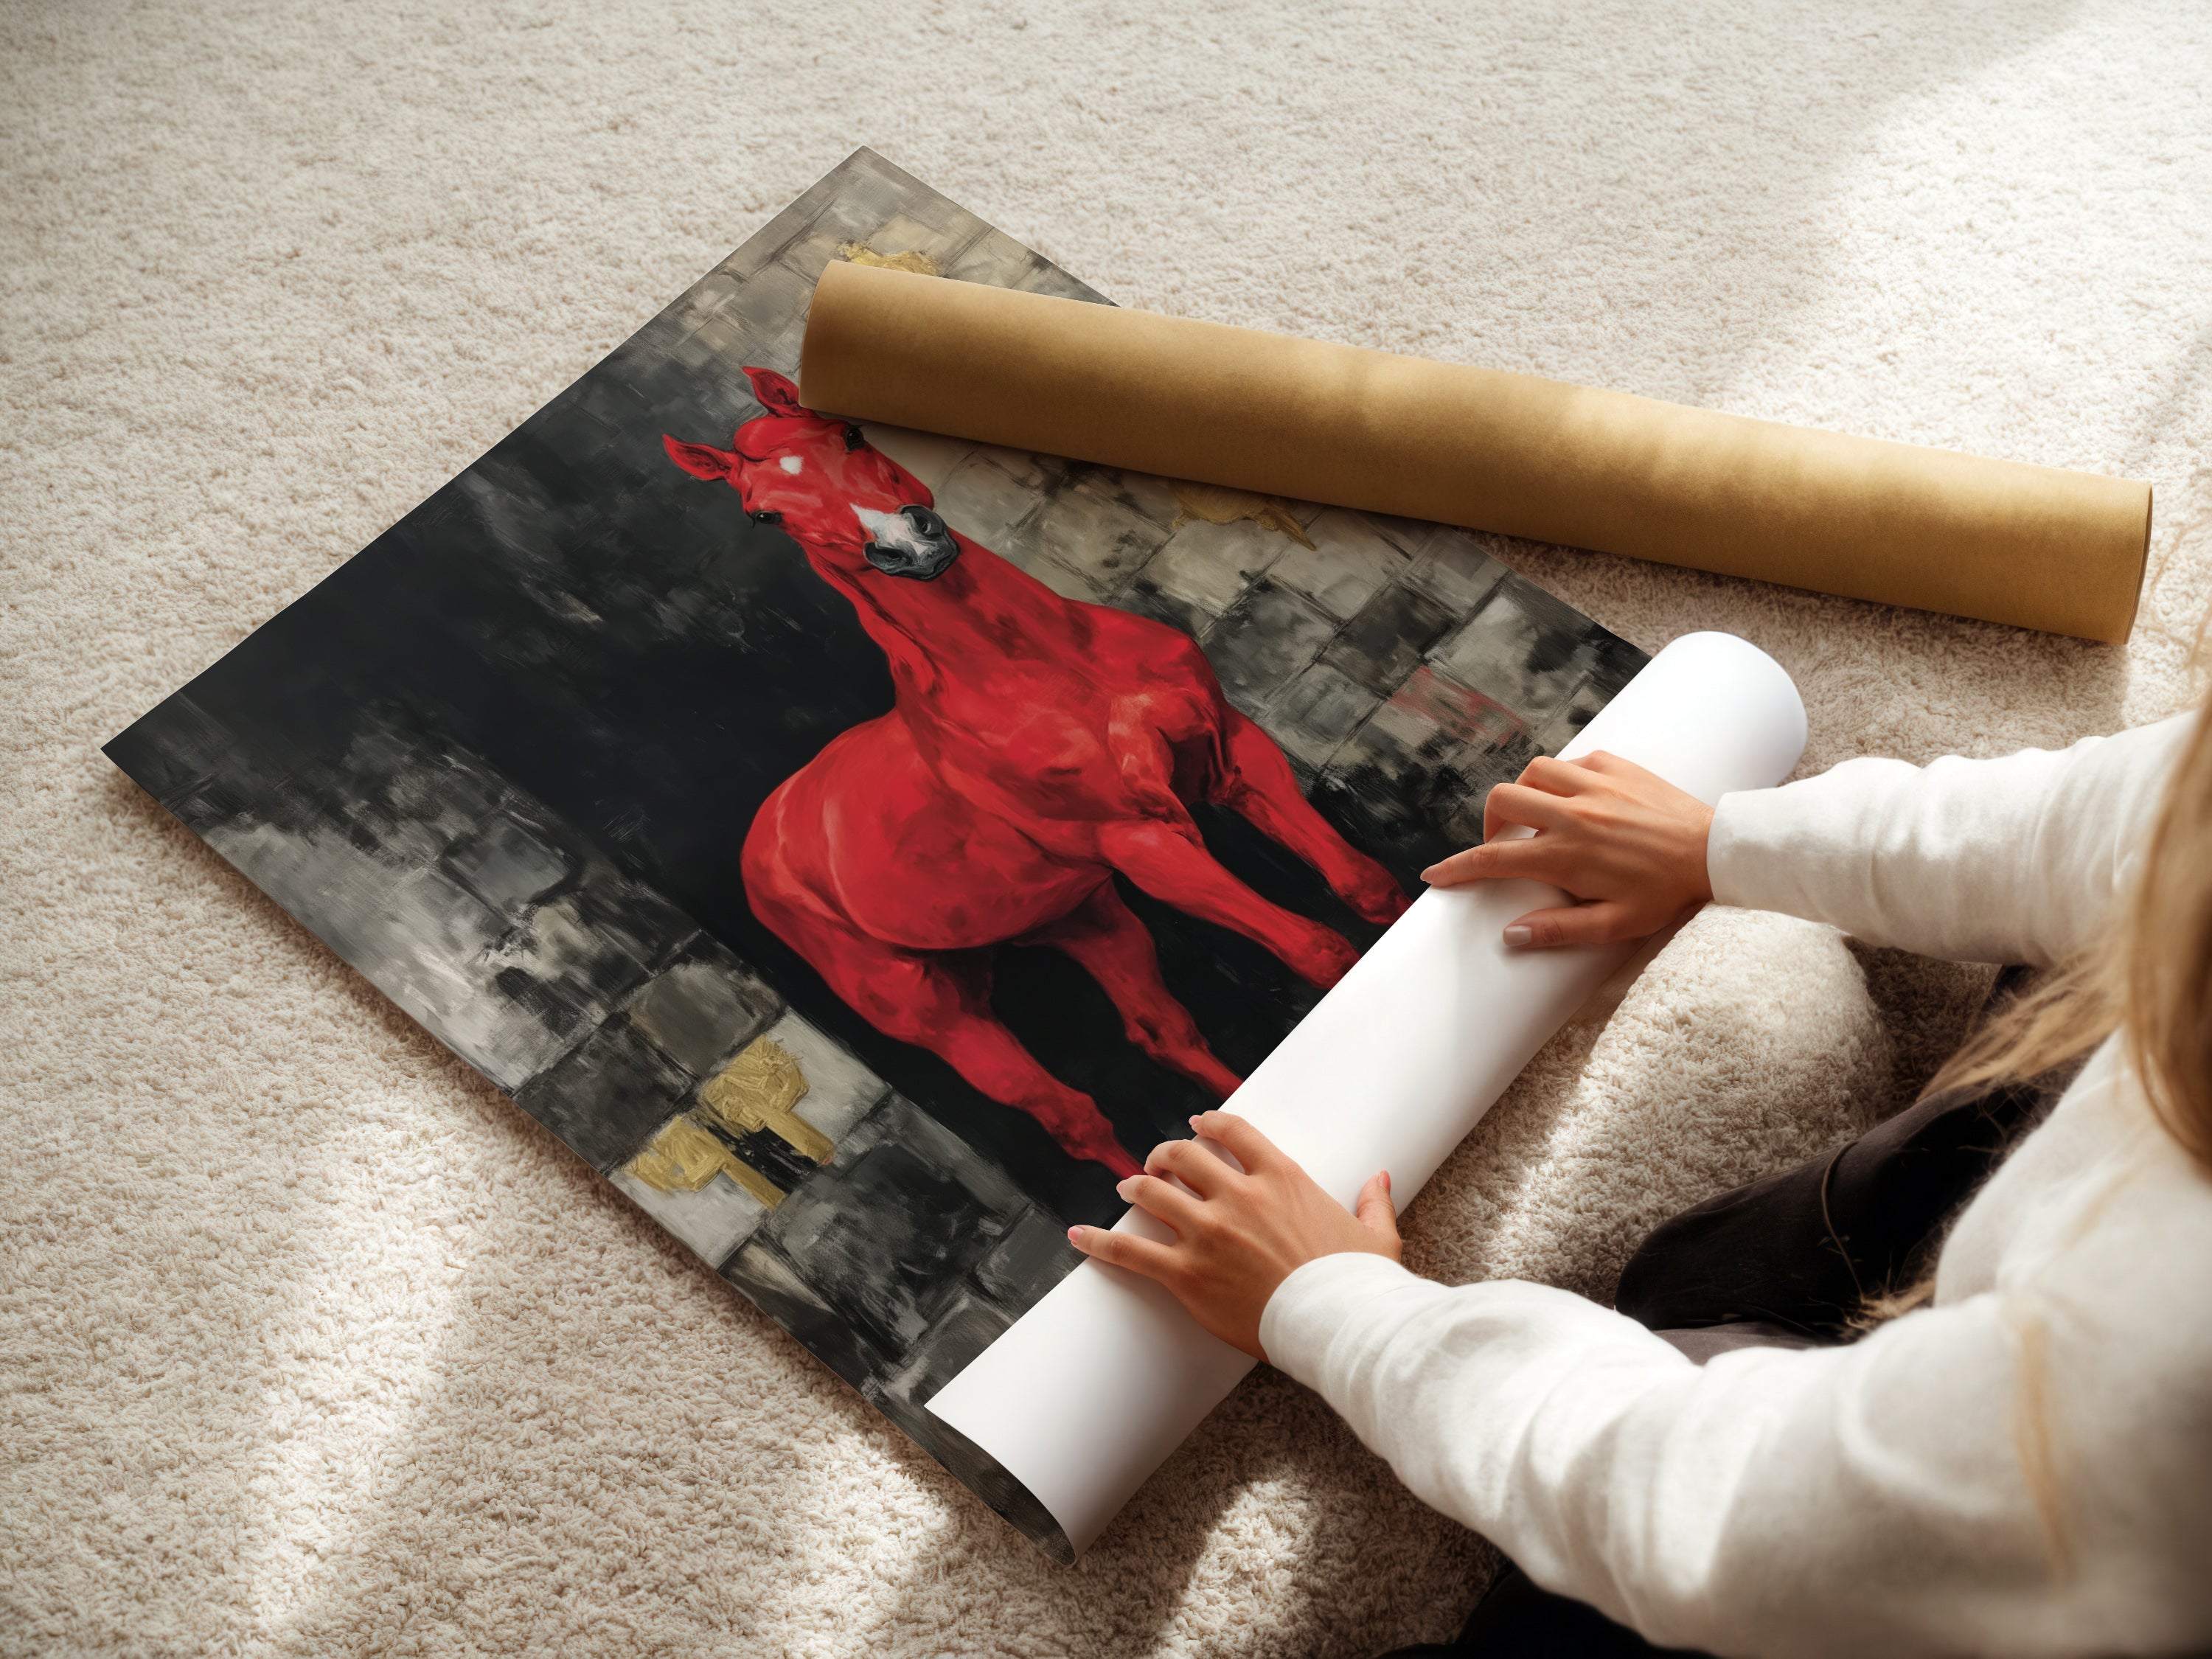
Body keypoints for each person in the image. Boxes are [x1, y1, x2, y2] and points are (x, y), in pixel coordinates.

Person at [1067, 706, 2212, 1657]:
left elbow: (1722, 1515)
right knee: (1704, 1273)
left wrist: (1338, 1308)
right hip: (2053, 1303)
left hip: (2036, 1546)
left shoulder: (2159, 1373)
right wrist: (1720, 842)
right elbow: (2119, 818)